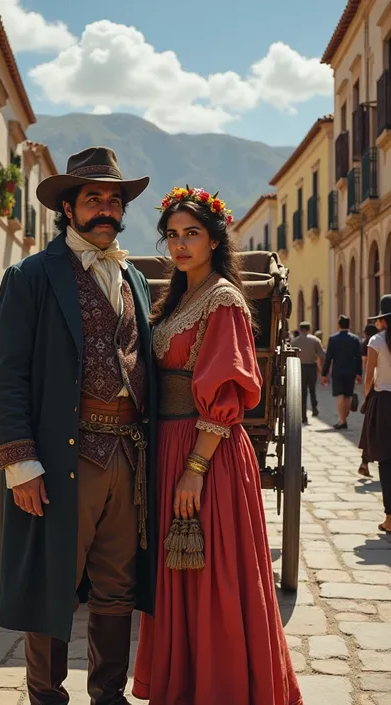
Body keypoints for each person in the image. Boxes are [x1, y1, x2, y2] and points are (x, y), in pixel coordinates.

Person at [0, 146, 157, 705]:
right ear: (69, 207)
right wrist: (20, 461)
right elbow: (6, 373)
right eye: (93, 199)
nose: (106, 208)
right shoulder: (31, 276)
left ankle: (109, 695)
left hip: (127, 457)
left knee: (118, 586)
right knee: (52, 584)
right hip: (64, 459)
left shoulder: (133, 276)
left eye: (114, 199)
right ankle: (46, 697)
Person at [133, 186, 302, 705]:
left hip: (206, 454)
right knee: (179, 576)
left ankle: (222, 687)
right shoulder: (178, 300)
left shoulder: (224, 300)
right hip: (169, 447)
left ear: (213, 240)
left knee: (212, 574)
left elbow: (225, 391)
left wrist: (195, 468)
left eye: (192, 234)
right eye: (172, 235)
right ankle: (184, 682)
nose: (180, 245)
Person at [359, 295, 391, 533]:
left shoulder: (376, 341)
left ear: (383, 320)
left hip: (383, 403)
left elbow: (369, 377)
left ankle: (389, 518)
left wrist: (367, 398)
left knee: (385, 460)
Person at [321, 314, 362, 430]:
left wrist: (324, 374)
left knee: (340, 395)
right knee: (348, 395)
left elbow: (328, 358)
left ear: (338, 325)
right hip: (351, 371)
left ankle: (342, 421)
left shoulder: (333, 339)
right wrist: (359, 373)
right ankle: (344, 418)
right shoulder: (354, 339)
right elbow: (358, 357)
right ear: (349, 325)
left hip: (338, 371)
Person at [292, 322, 325, 423]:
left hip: (300, 367)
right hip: (312, 367)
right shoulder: (315, 340)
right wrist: (322, 369)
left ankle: (303, 416)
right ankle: (314, 409)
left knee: (302, 392)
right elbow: (322, 355)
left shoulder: (295, 341)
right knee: (312, 390)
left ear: (300, 329)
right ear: (309, 329)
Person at [358, 323, 378, 477]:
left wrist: (367, 394)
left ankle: (365, 462)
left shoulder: (376, 341)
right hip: (379, 390)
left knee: (370, 428)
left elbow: (368, 371)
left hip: (378, 391)